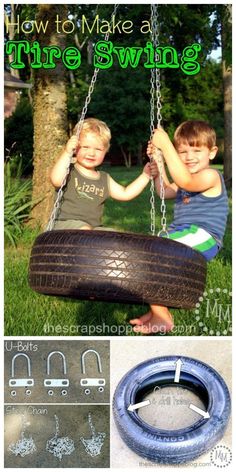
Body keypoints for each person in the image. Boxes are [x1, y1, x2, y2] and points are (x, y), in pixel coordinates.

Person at [129, 120, 229, 334]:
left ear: (212, 152)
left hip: (204, 236)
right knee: (147, 253)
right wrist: (159, 161)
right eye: (182, 151)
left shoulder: (210, 176)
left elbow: (184, 182)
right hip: (183, 233)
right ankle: (157, 309)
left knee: (154, 250)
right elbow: (164, 192)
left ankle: (162, 316)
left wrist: (166, 146)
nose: (189, 156)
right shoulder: (186, 179)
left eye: (196, 150)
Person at [50, 118, 151, 230]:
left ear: (105, 151)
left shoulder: (104, 178)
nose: (91, 153)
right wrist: (67, 152)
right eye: (85, 147)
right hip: (63, 225)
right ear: (75, 147)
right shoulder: (69, 171)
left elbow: (125, 193)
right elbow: (56, 180)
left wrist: (145, 176)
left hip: (93, 228)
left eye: (98, 149)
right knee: (84, 229)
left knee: (114, 235)